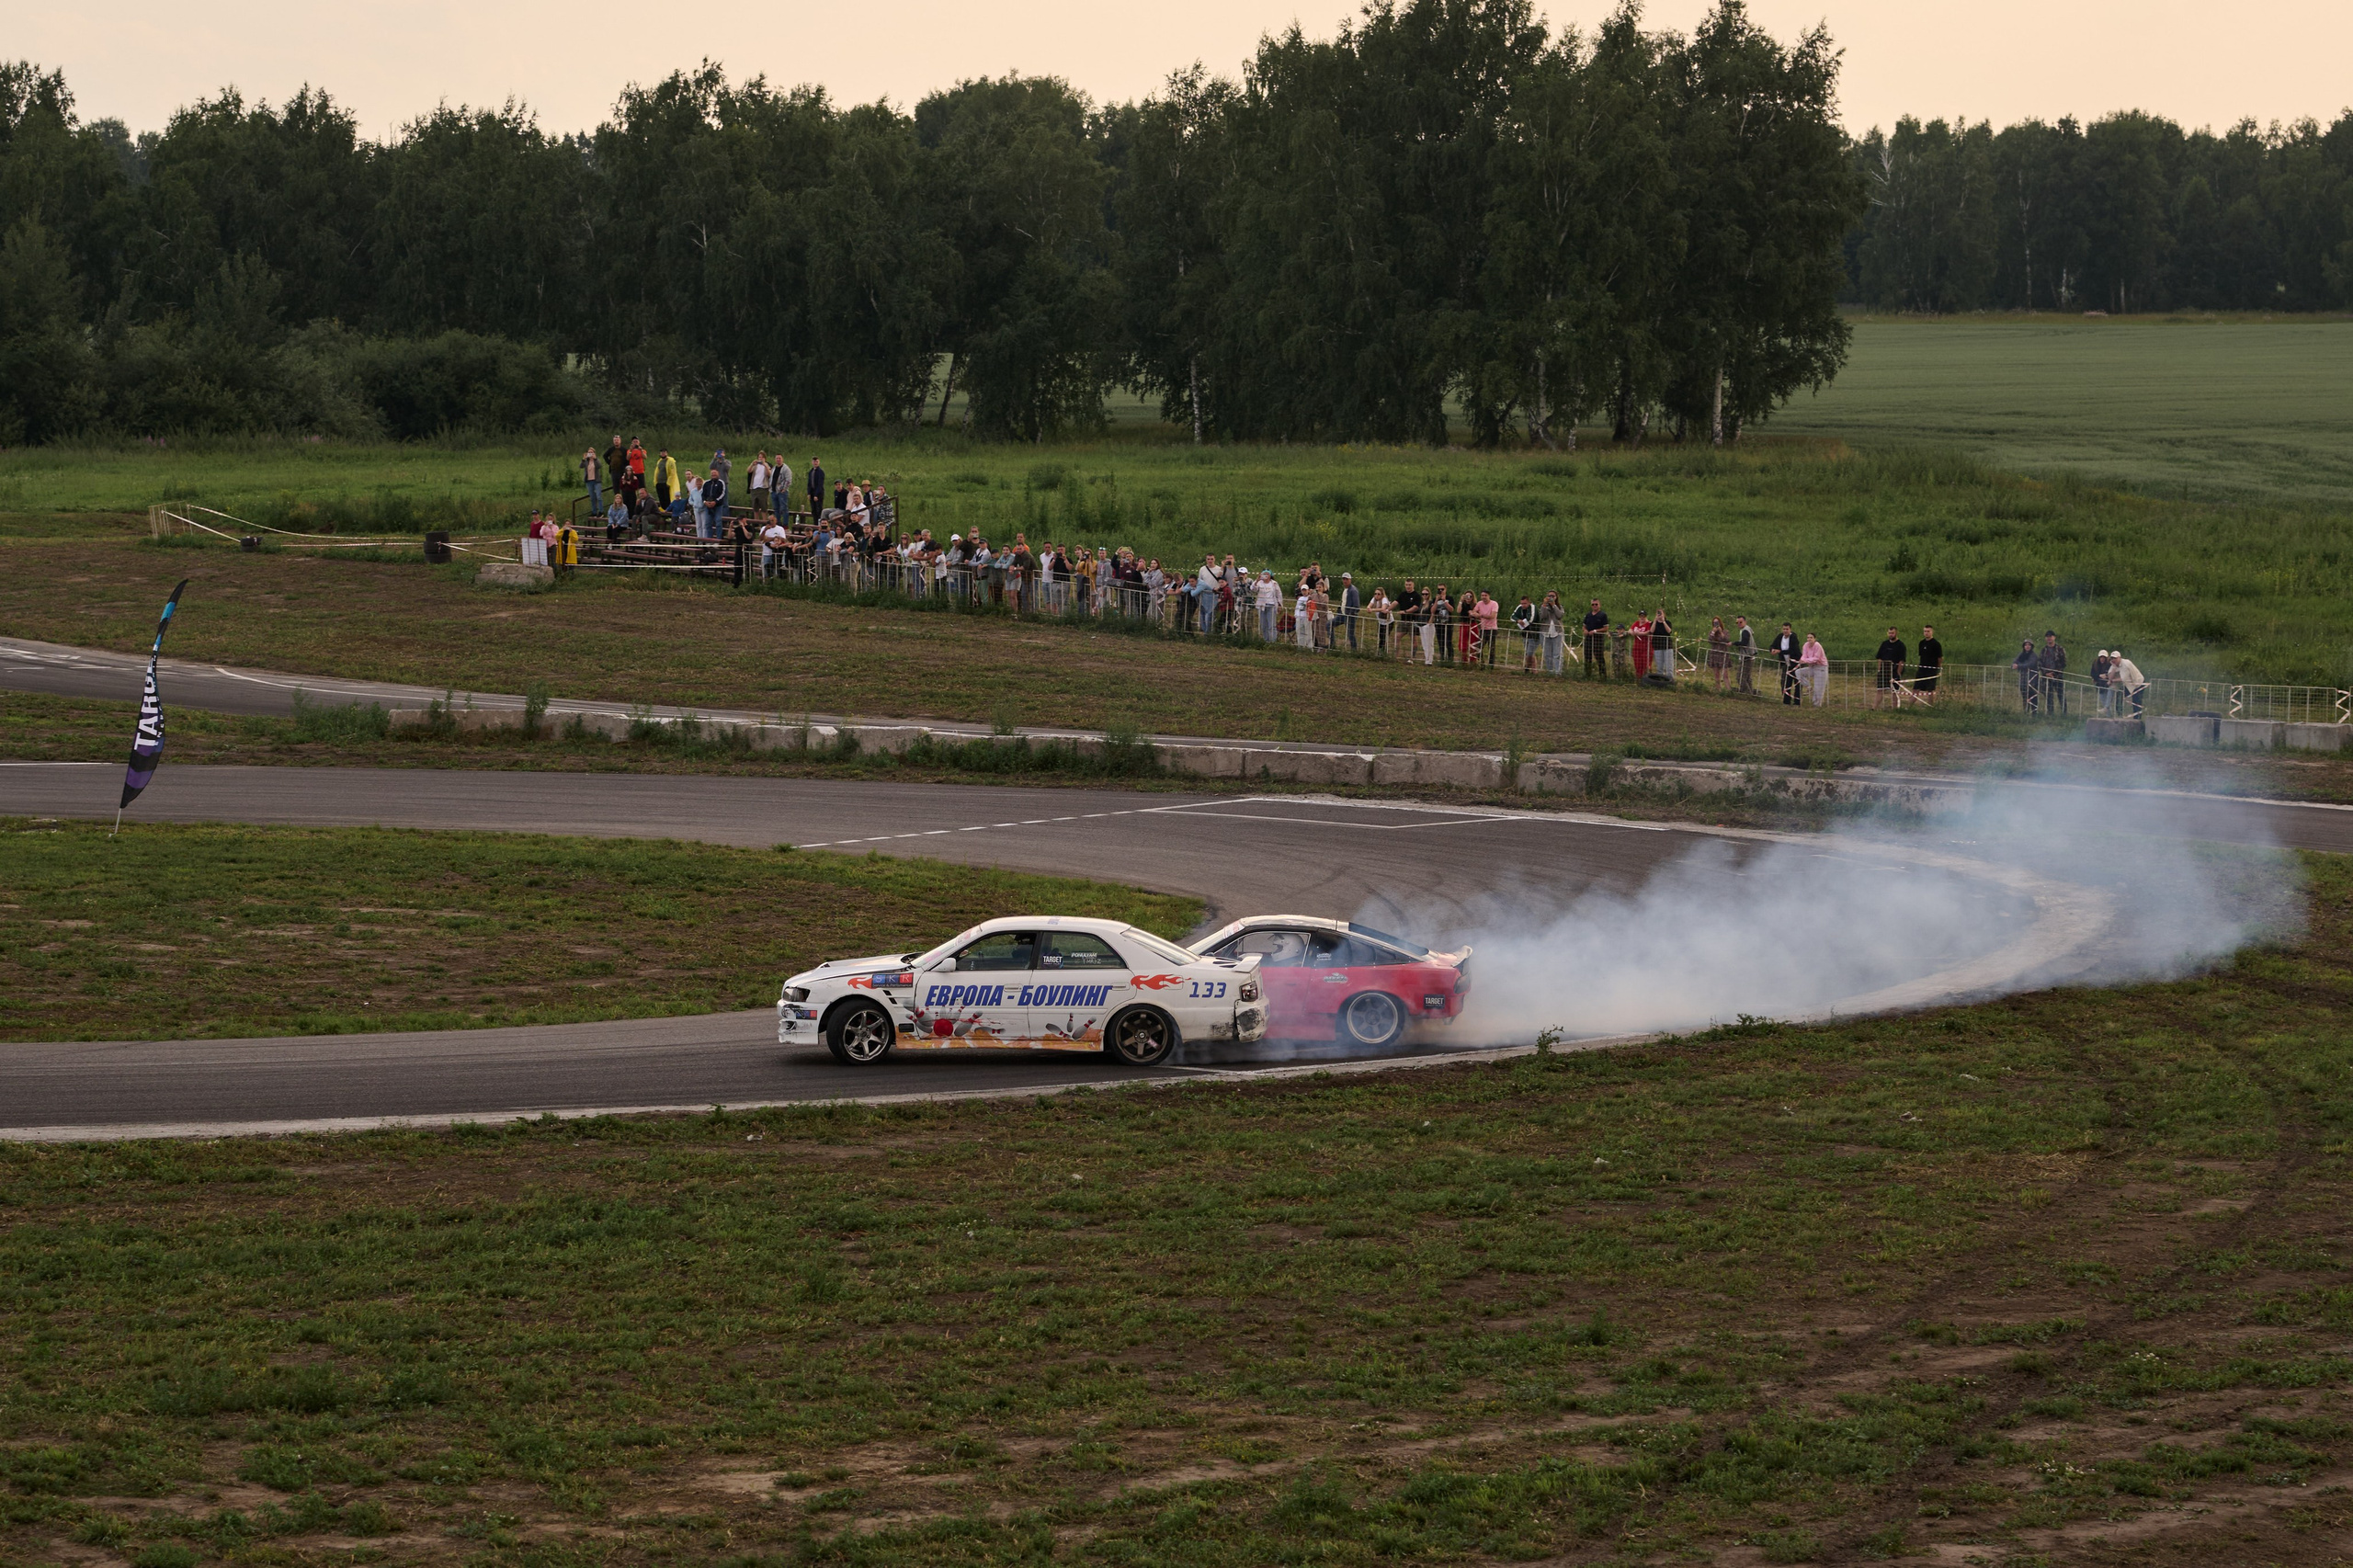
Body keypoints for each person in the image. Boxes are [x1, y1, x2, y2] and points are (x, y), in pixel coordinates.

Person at [1872, 627, 1905, 710]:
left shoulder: (1901, 645)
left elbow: (1902, 661)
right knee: (1880, 690)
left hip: (1894, 670)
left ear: (1896, 633)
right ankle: (1874, 708)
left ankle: (1895, 709)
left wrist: (1898, 673)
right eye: (1889, 633)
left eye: (1892, 633)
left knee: (1894, 691)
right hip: (1884, 670)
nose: (1891, 635)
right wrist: (1879, 670)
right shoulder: (1884, 644)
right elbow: (1879, 658)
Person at [2038, 631, 2069, 715]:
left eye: (2051, 636)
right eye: (2047, 636)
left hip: (2058, 676)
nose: (2049, 638)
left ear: (2054, 637)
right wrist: (2045, 673)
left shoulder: (2060, 649)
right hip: (2047, 677)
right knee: (2049, 696)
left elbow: (2063, 663)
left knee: (2061, 695)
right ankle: (2050, 713)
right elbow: (2040, 663)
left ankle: (2064, 713)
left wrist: (2054, 673)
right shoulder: (2043, 650)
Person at [2112, 650, 2148, 719]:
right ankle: (2119, 714)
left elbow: (2123, 678)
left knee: (2136, 701)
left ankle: (2137, 719)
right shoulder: (2118, 664)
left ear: (2119, 658)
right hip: (2130, 684)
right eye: (2112, 658)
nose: (2113, 660)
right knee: (2120, 695)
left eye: (2115, 658)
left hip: (2138, 683)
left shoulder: (2125, 665)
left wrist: (2112, 680)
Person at [1770, 622, 1800, 704]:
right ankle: (1786, 700)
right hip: (1785, 663)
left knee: (1797, 682)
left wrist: (1780, 651)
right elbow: (1773, 645)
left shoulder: (1793, 637)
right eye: (1784, 629)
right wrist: (1772, 650)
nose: (1785, 631)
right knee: (1785, 682)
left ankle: (1797, 701)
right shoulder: (1780, 637)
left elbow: (1793, 650)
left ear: (1790, 629)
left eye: (1787, 629)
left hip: (1795, 663)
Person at [1538, 591, 1565, 675]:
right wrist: (1544, 605)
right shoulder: (1544, 606)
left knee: (1557, 654)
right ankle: (1550, 671)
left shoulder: (1560, 607)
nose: (1551, 597)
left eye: (1553, 596)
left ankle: (1558, 672)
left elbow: (1559, 615)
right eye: (1549, 596)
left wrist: (1554, 605)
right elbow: (1543, 616)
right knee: (1547, 654)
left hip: (1557, 632)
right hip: (1545, 632)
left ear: (1556, 597)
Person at [1581, 599, 1610, 678]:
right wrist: (1585, 630)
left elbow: (1606, 628)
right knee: (1587, 656)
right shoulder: (1588, 615)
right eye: (1593, 604)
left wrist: (1595, 631)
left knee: (1599, 656)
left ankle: (1603, 675)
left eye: (1596, 604)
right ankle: (1588, 674)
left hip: (1598, 639)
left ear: (1599, 605)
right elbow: (1584, 626)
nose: (1594, 606)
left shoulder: (1603, 615)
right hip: (1588, 638)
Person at [1798, 632, 1828, 706]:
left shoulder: (1817, 645)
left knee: (1819, 687)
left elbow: (1816, 658)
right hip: (1812, 667)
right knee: (1798, 672)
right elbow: (1804, 655)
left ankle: (1817, 704)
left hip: (1821, 667)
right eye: (1808, 637)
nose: (1809, 639)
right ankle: (1808, 686)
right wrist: (1802, 660)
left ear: (1815, 639)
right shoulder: (1806, 645)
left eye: (1811, 637)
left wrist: (1805, 661)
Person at [1915, 626, 1942, 704]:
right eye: (1925, 631)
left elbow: (1940, 658)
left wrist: (1937, 668)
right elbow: (1921, 656)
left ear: (1932, 632)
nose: (1926, 633)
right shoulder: (1921, 643)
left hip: (1931, 670)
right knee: (1916, 688)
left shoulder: (1936, 644)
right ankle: (1909, 706)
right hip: (1922, 669)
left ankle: (1930, 706)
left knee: (1930, 689)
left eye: (1928, 631)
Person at [1647, 610, 1675, 686]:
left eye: (1661, 614)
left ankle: (1670, 681)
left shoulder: (1668, 622)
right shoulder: (1653, 623)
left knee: (1669, 665)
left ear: (1664, 614)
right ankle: (1660, 681)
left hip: (1667, 646)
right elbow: (1651, 631)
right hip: (1657, 646)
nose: (1659, 615)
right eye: (1658, 614)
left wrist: (1663, 622)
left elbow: (1669, 631)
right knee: (1659, 666)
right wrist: (1655, 620)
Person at [2013, 639, 2040, 714]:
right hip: (2023, 679)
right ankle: (2025, 712)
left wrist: (2019, 666)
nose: (2027, 646)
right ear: (2023, 646)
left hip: (2032, 679)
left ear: (2031, 646)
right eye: (2026, 645)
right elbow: (2015, 661)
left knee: (2032, 696)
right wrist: (2014, 665)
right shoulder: (2021, 655)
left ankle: (2034, 713)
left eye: (2029, 645)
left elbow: (2030, 665)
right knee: (2025, 695)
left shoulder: (2033, 656)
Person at [1513, 595, 1539, 672]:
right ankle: (1534, 670)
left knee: (1530, 652)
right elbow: (1512, 616)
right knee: (1529, 652)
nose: (1523, 605)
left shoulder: (1533, 608)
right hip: (1525, 633)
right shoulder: (1519, 607)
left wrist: (1522, 621)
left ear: (1529, 602)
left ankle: (1527, 667)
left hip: (1534, 633)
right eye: (1522, 603)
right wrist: (1518, 620)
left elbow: (1531, 619)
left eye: (1525, 603)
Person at [759, 514, 789, 580]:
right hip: (766, 552)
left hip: (776, 553)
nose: (771, 522)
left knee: (776, 572)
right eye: (769, 520)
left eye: (772, 520)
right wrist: (765, 531)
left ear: (776, 521)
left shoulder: (780, 529)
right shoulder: (764, 528)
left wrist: (768, 539)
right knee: (766, 571)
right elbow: (761, 539)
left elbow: (782, 539)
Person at [1475, 590, 1499, 666]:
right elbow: (1473, 611)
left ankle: (1491, 665)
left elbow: (1492, 616)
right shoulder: (1479, 603)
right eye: (1482, 595)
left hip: (1492, 629)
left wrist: (1480, 615)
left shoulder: (1494, 604)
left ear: (1489, 596)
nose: (1484, 597)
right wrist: (1473, 613)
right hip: (1483, 628)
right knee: (1478, 647)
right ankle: (1482, 664)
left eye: (1485, 595)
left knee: (1491, 648)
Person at [1337, 573, 1360, 651]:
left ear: (1350, 580)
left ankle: (1354, 650)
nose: (1344, 581)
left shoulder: (1353, 590)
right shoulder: (1345, 590)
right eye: (1343, 579)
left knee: (1350, 634)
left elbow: (1356, 605)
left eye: (1346, 579)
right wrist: (1339, 610)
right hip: (1342, 614)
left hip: (1350, 616)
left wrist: (1350, 613)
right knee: (1329, 625)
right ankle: (1332, 644)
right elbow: (1343, 602)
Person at [1733, 616, 1756, 694]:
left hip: (1747, 657)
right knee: (1747, 678)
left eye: (1740, 622)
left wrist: (1734, 643)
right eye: (1737, 623)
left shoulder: (1745, 631)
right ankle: (1751, 693)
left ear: (1745, 622)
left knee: (1740, 677)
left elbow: (1744, 643)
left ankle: (1747, 693)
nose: (1739, 624)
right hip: (1750, 656)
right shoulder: (1748, 629)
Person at [1629, 608, 1653, 681]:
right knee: (1637, 664)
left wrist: (1639, 633)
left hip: (1646, 647)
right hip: (1637, 647)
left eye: (1643, 616)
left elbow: (1649, 632)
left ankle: (1647, 678)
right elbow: (1630, 629)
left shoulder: (1649, 624)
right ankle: (1638, 678)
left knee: (1645, 664)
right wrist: (1632, 632)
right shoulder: (1636, 623)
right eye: (1640, 616)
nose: (1642, 618)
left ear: (1646, 616)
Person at [1707, 616, 1730, 692]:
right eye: (1714, 623)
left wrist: (1721, 632)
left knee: (1725, 674)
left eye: (1717, 623)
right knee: (1716, 674)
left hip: (1723, 655)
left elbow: (1726, 640)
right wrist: (1713, 632)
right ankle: (1718, 690)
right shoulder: (1711, 632)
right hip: (1715, 654)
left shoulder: (1725, 632)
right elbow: (1709, 640)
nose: (1716, 624)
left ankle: (1728, 690)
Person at [1370, 586, 1394, 654]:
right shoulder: (1374, 599)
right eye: (1375, 594)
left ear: (1382, 594)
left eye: (1378, 594)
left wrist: (1372, 610)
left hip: (1388, 622)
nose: (1376, 595)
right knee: (1381, 637)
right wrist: (1369, 608)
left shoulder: (1384, 599)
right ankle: (1381, 651)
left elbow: (1383, 608)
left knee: (1384, 637)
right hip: (1380, 622)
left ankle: (1381, 652)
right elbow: (1369, 606)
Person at [581, 448, 603, 515]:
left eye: (592, 452)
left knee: (598, 497)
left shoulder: (596, 460)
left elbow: (599, 466)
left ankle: (601, 511)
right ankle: (594, 511)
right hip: (589, 481)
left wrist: (595, 458)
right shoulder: (586, 461)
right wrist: (583, 459)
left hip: (596, 481)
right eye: (589, 452)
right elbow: (581, 466)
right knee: (592, 497)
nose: (590, 454)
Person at [748, 453, 771, 517]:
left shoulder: (767, 465)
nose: (760, 459)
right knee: (755, 508)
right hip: (754, 488)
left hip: (763, 488)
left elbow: (769, 474)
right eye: (759, 457)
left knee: (764, 507)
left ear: (765, 458)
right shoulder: (755, 465)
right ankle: (756, 524)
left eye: (762, 457)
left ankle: (764, 523)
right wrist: (752, 464)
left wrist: (765, 465)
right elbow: (749, 471)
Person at [806, 457, 825, 522]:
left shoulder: (820, 472)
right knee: (813, 510)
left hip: (818, 493)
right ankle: (815, 524)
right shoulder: (811, 472)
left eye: (817, 462)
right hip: (812, 492)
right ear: (812, 462)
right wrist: (809, 493)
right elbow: (809, 483)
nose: (815, 463)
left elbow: (820, 484)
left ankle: (819, 524)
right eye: (814, 462)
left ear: (819, 462)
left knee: (818, 509)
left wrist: (816, 495)